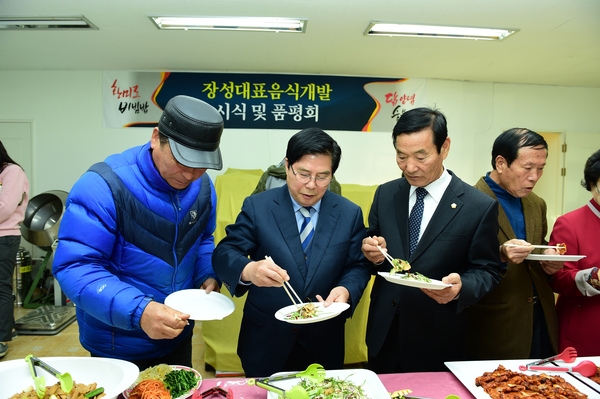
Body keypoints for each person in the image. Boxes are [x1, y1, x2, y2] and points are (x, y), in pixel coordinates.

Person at [52, 95, 223, 370]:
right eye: (182, 161)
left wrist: (207, 274)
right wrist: (139, 311)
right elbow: (75, 266)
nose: (191, 175)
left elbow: (203, 239)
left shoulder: (203, 188)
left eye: (201, 165)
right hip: (117, 342)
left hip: (178, 335)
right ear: (156, 137)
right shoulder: (103, 186)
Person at [213, 127, 370, 377]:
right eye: (303, 174)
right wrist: (249, 270)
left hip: (324, 341)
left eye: (322, 176)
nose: (310, 185)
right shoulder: (259, 206)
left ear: (332, 175)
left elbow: (357, 266)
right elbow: (225, 252)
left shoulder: (348, 213)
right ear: (288, 166)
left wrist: (346, 290)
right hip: (266, 339)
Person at [361, 107, 503, 373]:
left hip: (439, 338)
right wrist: (371, 252)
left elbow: (488, 271)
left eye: (421, 156)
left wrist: (461, 288)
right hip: (385, 334)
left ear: (444, 147)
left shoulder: (477, 206)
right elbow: (375, 249)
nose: (409, 167)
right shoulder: (386, 194)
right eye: (401, 156)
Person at [466, 128, 563, 360]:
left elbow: (537, 249)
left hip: (541, 319)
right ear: (501, 163)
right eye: (528, 167)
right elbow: (457, 262)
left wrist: (549, 258)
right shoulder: (468, 201)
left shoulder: (536, 203)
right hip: (496, 323)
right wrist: (499, 254)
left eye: (541, 168)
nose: (535, 176)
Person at [549, 149, 600, 356]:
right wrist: (595, 277)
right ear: (592, 186)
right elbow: (558, 278)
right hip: (586, 328)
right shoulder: (570, 223)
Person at [0, 141, 29, 358]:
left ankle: (1, 337)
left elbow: (5, 207)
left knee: (0, 287)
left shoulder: (12, 172)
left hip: (5, 237)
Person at [251, 158, 342, 195]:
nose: (311, 185)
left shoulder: (270, 176)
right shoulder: (271, 176)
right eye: (303, 174)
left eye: (320, 177)